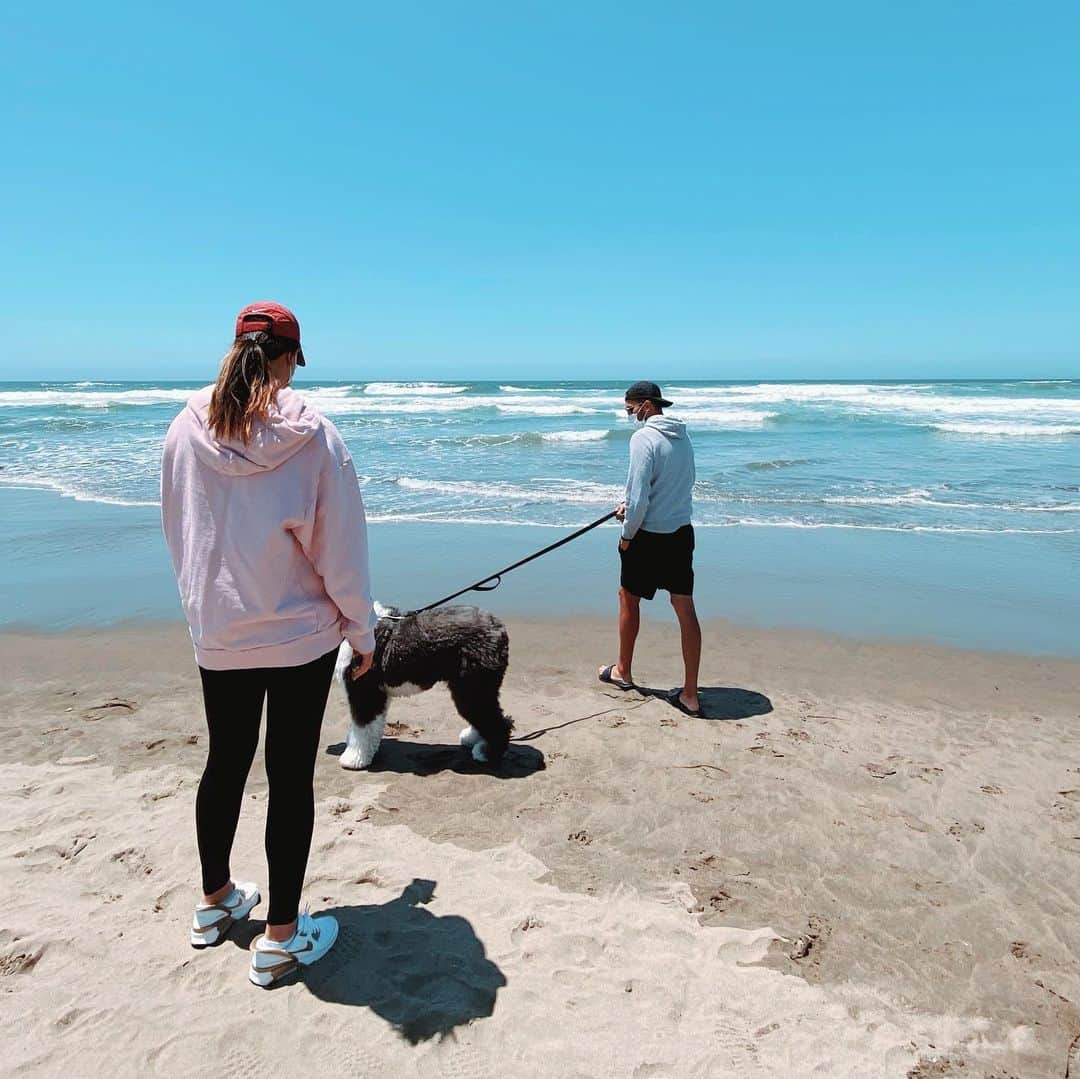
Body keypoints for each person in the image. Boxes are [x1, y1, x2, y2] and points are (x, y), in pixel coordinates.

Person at [161, 301, 377, 987]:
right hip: (296, 636)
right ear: (288, 359)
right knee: (289, 775)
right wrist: (361, 630)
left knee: (224, 760)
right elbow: (340, 549)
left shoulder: (183, 428)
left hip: (220, 630)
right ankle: (281, 936)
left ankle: (216, 901)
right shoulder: (314, 440)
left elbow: (179, 527)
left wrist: (202, 606)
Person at [597, 380, 702, 717]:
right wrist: (631, 505)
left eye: (630, 409)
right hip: (681, 532)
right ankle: (690, 694)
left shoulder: (643, 439)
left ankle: (623, 671)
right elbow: (682, 483)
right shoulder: (683, 437)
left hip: (649, 535)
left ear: (645, 404)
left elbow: (640, 495)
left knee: (628, 597)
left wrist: (627, 534)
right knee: (684, 606)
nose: (630, 415)